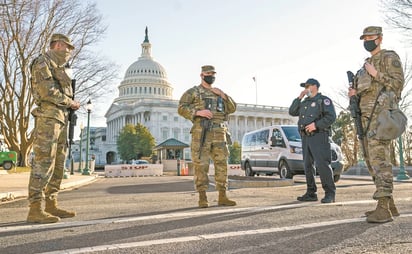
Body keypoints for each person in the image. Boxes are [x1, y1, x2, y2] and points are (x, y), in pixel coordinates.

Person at [348, 26, 404, 223]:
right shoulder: (364, 66)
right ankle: (389, 206)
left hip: (381, 118)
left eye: (370, 37)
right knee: (371, 162)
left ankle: (383, 208)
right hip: (364, 120)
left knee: (380, 161)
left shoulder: (389, 57)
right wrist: (353, 95)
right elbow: (364, 93)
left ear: (380, 39)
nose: (367, 41)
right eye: (364, 38)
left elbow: (397, 85)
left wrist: (376, 74)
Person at [27, 33, 80, 223]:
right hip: (48, 118)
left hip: (61, 118)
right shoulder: (42, 63)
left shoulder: (60, 67)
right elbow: (47, 92)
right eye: (67, 48)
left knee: (58, 163)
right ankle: (35, 209)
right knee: (44, 163)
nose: (68, 52)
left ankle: (51, 204)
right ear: (58, 45)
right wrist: (70, 102)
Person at [178, 65, 237, 208]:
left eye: (213, 73)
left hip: (219, 132)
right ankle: (202, 197)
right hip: (202, 132)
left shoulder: (219, 93)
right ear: (202, 75)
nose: (211, 76)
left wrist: (223, 95)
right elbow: (181, 107)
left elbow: (233, 108)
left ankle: (222, 196)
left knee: (222, 165)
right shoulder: (194, 92)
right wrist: (198, 112)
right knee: (201, 165)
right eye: (208, 73)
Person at [289, 78, 337, 203]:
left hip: (319, 136)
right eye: (304, 87)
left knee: (322, 165)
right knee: (307, 166)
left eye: (307, 86)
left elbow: (331, 117)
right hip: (306, 137)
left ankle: (330, 193)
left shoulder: (323, 100)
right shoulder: (304, 102)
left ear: (315, 86)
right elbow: (292, 111)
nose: (305, 89)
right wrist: (299, 97)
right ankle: (311, 193)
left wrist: (316, 125)